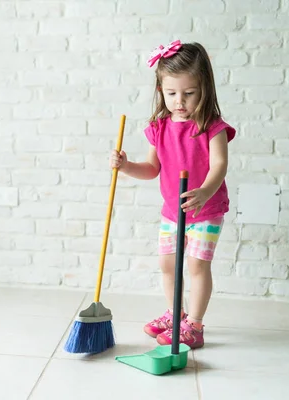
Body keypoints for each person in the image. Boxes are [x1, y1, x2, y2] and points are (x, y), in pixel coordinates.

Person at [110, 40, 236, 349]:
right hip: (172, 211)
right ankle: (174, 313)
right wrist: (127, 166)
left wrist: (206, 191)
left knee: (196, 266)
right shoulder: (159, 126)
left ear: (204, 88)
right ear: (161, 90)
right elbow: (151, 167)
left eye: (189, 93)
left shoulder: (211, 126)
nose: (179, 101)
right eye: (171, 93)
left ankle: (194, 324)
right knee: (167, 265)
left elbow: (220, 164)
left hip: (205, 210)